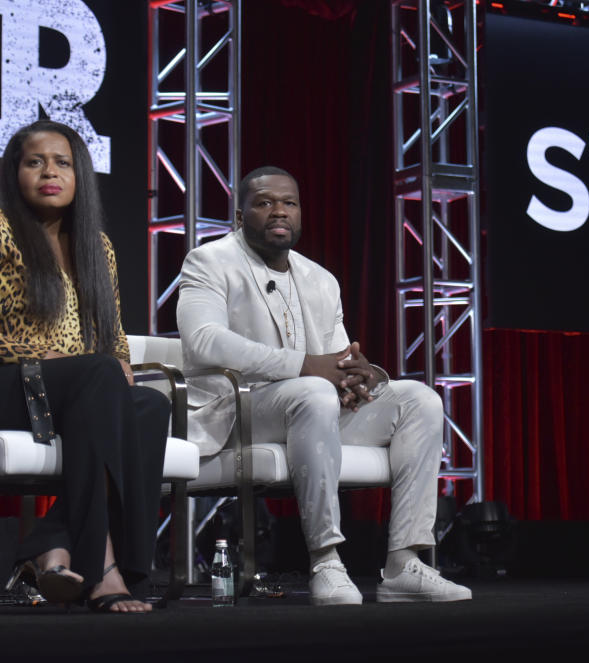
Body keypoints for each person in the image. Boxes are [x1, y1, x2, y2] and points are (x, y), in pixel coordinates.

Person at [177, 166, 472, 605]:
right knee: (312, 392)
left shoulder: (320, 278)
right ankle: (326, 561)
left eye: (289, 203)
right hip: (234, 411)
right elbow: (203, 342)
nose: (279, 211)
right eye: (264, 202)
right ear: (240, 217)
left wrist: (358, 376)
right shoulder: (209, 261)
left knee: (418, 399)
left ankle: (404, 563)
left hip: (308, 409)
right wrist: (306, 367)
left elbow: (335, 359)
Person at [0, 120, 169, 613]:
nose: (49, 172)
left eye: (62, 162)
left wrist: (121, 367)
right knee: (97, 374)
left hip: (62, 395)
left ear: (80, 177)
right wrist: (34, 356)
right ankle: (103, 569)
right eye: (35, 162)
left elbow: (111, 337)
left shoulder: (99, 249)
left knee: (150, 405)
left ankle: (52, 545)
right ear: (16, 173)